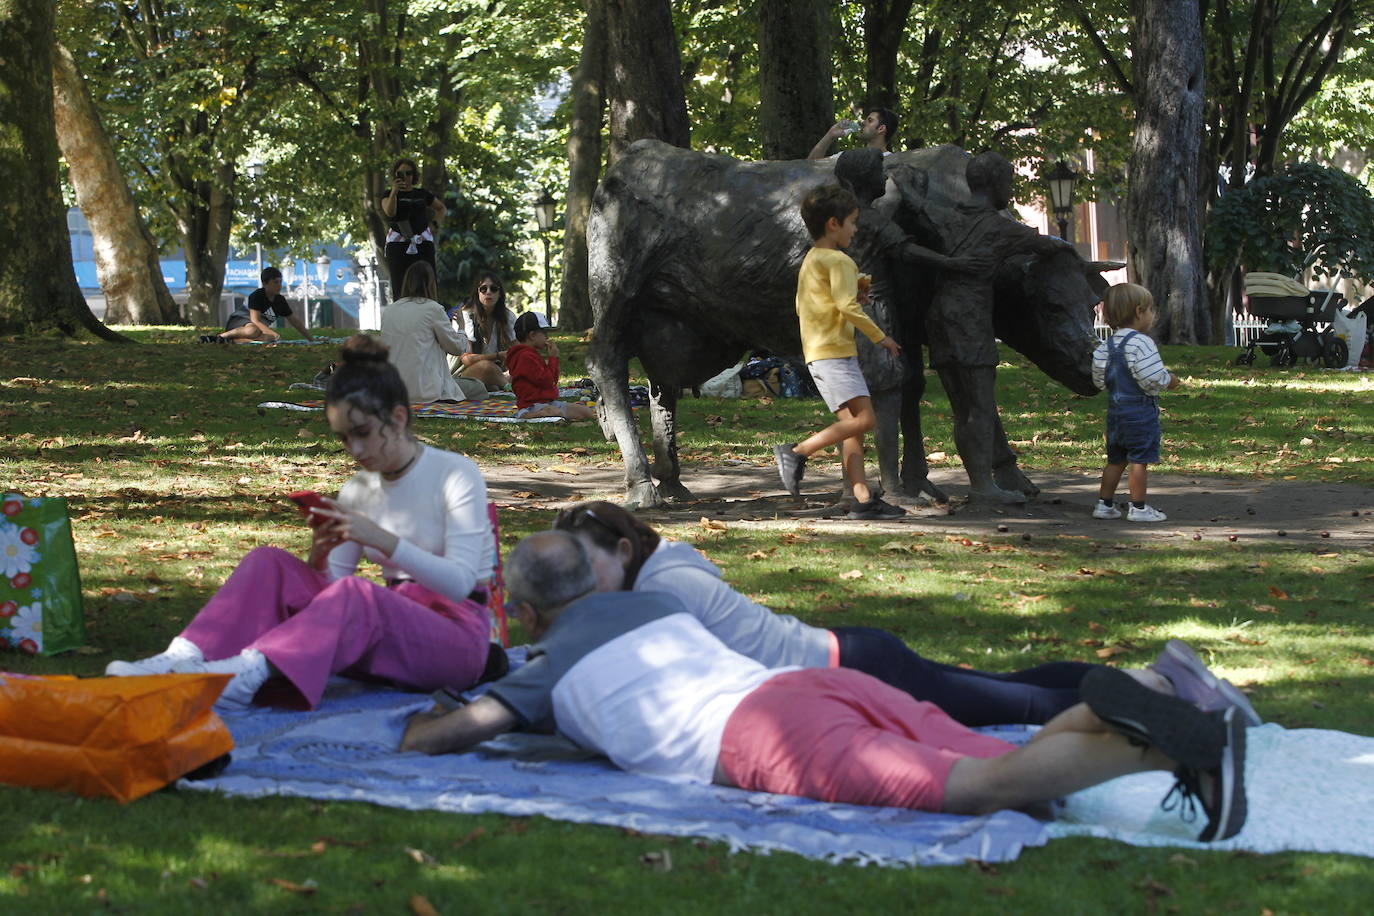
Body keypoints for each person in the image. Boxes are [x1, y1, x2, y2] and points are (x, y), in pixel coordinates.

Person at [402, 531, 1248, 843]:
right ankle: (1147, 693)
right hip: (807, 684)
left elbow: (457, 732)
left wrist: (415, 730)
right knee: (1022, 776)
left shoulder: (551, 672)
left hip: (761, 737)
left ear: (526, 610)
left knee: (989, 788)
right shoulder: (655, 607)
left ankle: (1168, 747)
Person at [554, 500, 1263, 728]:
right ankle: (1158, 677)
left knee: (1013, 702)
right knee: (1002, 687)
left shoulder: (662, 592)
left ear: (623, 547)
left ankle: (1174, 697)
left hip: (853, 668)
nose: (586, 586)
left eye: (590, 569)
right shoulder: (666, 558)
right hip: (850, 655)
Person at [105, 335, 503, 709]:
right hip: (388, 628)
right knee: (268, 562)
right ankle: (182, 657)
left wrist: (381, 539)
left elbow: (460, 583)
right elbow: (330, 595)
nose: (356, 449)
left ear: (398, 418)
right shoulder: (358, 490)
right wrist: (320, 554)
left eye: (363, 433)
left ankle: (247, 673)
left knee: (357, 593)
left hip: (457, 637)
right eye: (345, 438)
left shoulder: (454, 473)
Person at [773, 184, 905, 520]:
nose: (855, 229)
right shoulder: (840, 260)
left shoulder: (812, 260)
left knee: (853, 427)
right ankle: (797, 452)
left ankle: (861, 499)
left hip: (820, 352)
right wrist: (882, 338)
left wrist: (848, 301)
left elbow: (807, 306)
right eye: (852, 222)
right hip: (835, 354)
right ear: (834, 223)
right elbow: (848, 308)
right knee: (866, 419)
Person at [1091, 283, 1182, 523]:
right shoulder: (1142, 343)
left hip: (1115, 412)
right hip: (1139, 411)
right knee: (1139, 460)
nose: (1153, 315)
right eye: (1151, 309)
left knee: (1115, 459)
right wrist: (1169, 380)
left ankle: (1105, 504)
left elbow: (1099, 379)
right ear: (1140, 311)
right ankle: (1138, 507)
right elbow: (1151, 376)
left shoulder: (1105, 346)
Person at [380, 262, 486, 403]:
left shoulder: (390, 310)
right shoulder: (432, 308)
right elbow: (457, 348)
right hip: (425, 389)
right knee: (479, 388)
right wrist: (461, 327)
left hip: (393, 390)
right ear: (431, 283)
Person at [506, 311, 596, 420]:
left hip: (547, 402)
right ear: (532, 335)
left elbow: (553, 380)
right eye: (544, 333)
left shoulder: (532, 354)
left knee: (586, 412)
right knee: (555, 412)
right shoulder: (525, 357)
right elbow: (546, 381)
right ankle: (527, 415)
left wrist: (554, 359)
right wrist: (553, 358)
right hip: (532, 406)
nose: (547, 337)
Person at [380, 157, 446, 292]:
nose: (405, 177)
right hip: (398, 244)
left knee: (427, 282)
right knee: (400, 284)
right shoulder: (388, 194)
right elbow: (389, 212)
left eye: (409, 173)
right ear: (395, 175)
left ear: (414, 175)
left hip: (422, 243)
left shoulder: (422, 194)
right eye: (400, 174)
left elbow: (441, 208)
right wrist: (394, 192)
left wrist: (435, 225)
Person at [203, 267, 313, 344]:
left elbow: (294, 321)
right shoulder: (257, 296)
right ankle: (219, 337)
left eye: (280, 282)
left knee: (268, 338)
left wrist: (310, 339)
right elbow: (255, 320)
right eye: (275, 282)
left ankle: (233, 341)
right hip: (241, 322)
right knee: (253, 331)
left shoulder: (280, 300)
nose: (279, 285)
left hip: (258, 329)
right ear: (265, 283)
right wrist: (275, 334)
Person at [453, 271, 516, 391]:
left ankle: (505, 383)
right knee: (487, 367)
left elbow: (517, 350)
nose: (488, 292)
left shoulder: (507, 316)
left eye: (493, 289)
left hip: (496, 373)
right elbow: (466, 360)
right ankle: (510, 389)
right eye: (483, 289)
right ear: (477, 293)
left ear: (500, 293)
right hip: (462, 376)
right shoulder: (466, 315)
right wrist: (498, 356)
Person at [808, 107, 898, 161]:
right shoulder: (848, 157)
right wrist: (830, 135)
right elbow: (811, 167)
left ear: (881, 128)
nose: (863, 123)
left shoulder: (893, 162)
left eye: (870, 120)